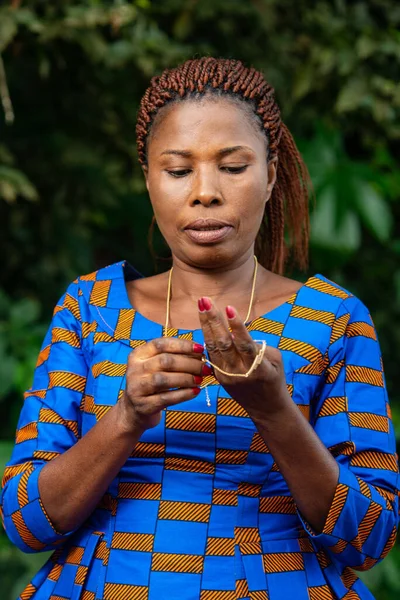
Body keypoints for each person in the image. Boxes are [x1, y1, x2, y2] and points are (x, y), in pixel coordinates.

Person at [1, 57, 398, 600]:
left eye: (233, 167)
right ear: (149, 179)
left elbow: (371, 538)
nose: (205, 191)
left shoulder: (333, 321)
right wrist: (126, 415)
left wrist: (272, 408)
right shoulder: (91, 308)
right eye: (178, 169)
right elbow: (26, 522)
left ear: (271, 173)